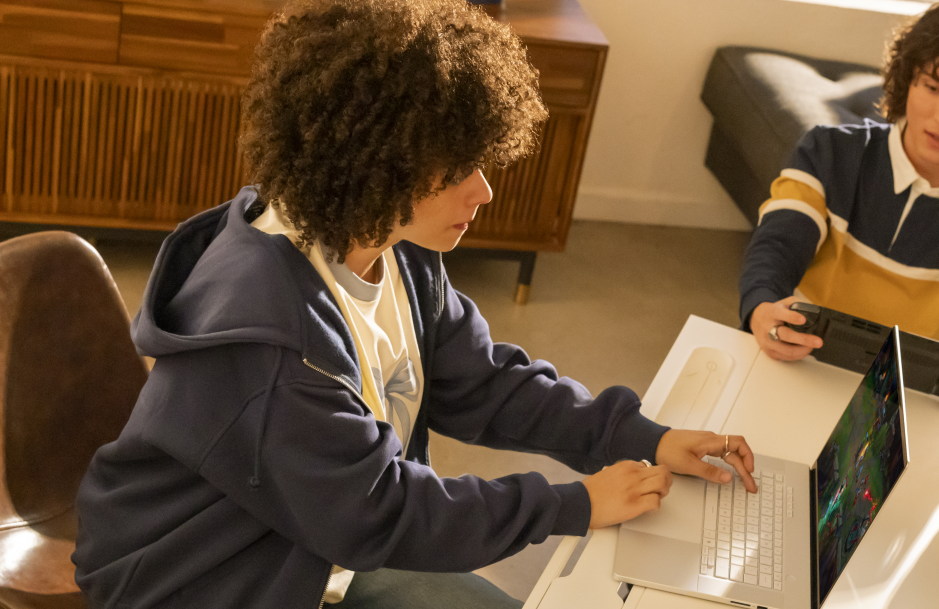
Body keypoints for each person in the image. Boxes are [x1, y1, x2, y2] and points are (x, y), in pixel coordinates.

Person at [71, 1, 756, 607]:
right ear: (374, 162)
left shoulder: (392, 244)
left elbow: (483, 384)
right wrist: (570, 504)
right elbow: (379, 512)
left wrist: (640, 436)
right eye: (456, 170)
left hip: (316, 545)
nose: (484, 190)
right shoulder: (273, 346)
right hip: (204, 575)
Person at [739, 5, 939, 362]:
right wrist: (762, 306)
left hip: (910, 388)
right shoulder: (828, 151)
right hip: (801, 358)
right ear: (908, 77)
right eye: (933, 88)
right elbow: (779, 244)